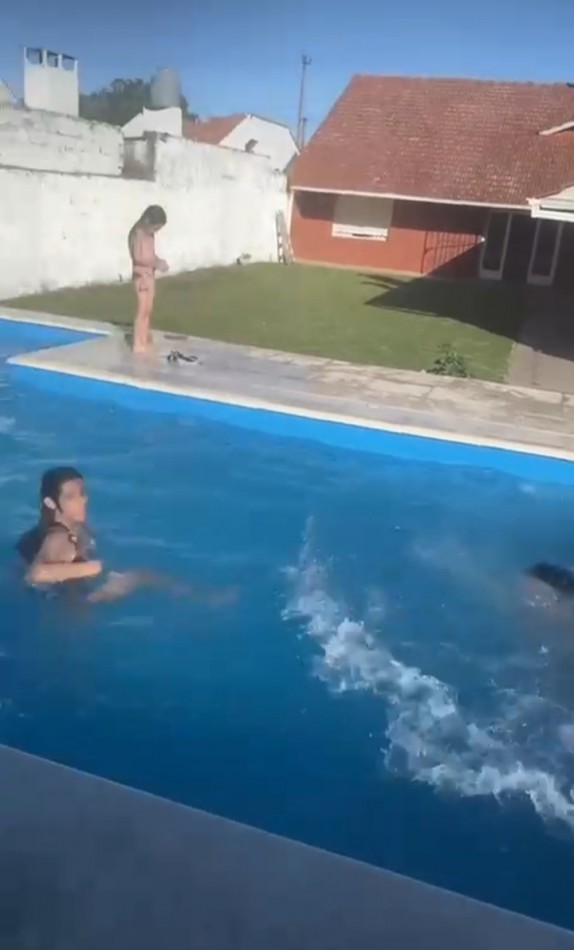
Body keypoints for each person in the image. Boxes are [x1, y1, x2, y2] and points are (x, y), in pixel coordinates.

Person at [17, 467, 238, 606]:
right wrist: (94, 568)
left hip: (67, 600)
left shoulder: (67, 527)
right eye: (71, 497)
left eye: (83, 493)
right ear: (50, 503)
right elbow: (35, 574)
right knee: (142, 575)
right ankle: (205, 599)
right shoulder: (59, 536)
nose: (83, 500)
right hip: (77, 604)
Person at [128, 205, 168, 356]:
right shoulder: (139, 234)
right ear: (148, 222)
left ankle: (144, 338)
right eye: (155, 228)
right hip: (141, 276)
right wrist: (157, 263)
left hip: (148, 274)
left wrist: (157, 261)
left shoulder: (148, 235)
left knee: (148, 309)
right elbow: (140, 257)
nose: (156, 231)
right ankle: (138, 343)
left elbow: (150, 254)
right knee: (142, 310)